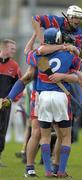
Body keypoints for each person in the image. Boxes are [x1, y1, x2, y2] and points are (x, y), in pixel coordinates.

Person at [2, 28, 82, 177]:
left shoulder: (38, 54)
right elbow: (77, 78)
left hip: (42, 97)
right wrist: (68, 61)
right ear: (60, 39)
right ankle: (41, 168)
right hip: (51, 96)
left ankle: (49, 169)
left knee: (47, 135)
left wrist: (9, 97)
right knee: (54, 135)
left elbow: (27, 57)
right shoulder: (67, 54)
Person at [0, 39, 22, 167]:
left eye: (14, 48)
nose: (14, 50)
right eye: (11, 48)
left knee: (2, 130)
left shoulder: (14, 66)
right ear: (4, 48)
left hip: (5, 104)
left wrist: (11, 99)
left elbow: (20, 84)